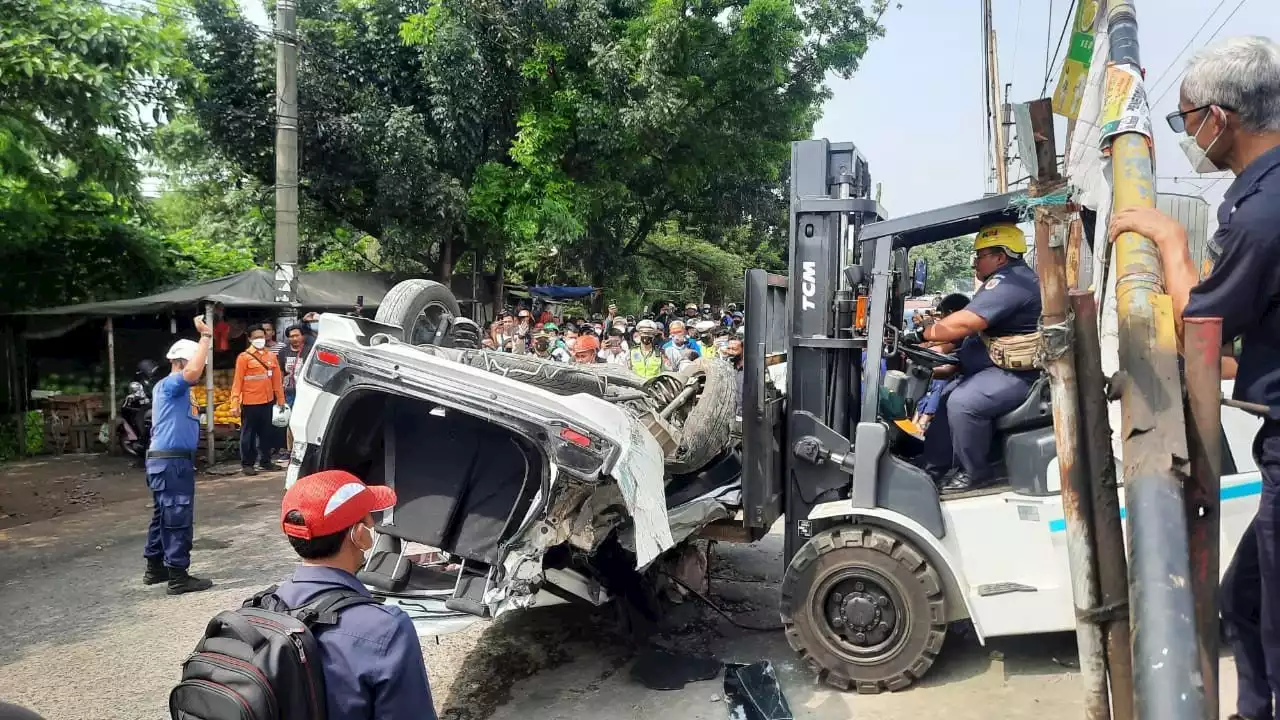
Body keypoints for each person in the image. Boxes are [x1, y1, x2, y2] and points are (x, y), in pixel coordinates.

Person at [1107, 36, 1280, 720]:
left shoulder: (1261, 216)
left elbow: (1203, 322)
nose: (1188, 137)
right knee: (1244, 599)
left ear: (1221, 117)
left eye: (1185, 122)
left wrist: (1171, 244)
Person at [275, 469, 438, 719]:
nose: (373, 524)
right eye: (369, 518)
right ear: (360, 535)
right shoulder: (386, 629)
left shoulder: (261, 609)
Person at [914, 224, 1041, 493]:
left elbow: (967, 322)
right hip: (996, 369)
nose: (975, 263)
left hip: (1019, 375)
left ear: (1001, 256)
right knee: (947, 397)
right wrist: (954, 360)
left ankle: (975, 473)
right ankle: (933, 467)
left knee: (964, 402)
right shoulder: (1003, 281)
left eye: (980, 255)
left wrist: (921, 333)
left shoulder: (1011, 282)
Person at [143, 317, 215, 594]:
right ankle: (178, 576)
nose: (202, 368)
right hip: (171, 461)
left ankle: (156, 568)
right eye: (198, 361)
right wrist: (206, 338)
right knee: (177, 515)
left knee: (164, 514)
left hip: (170, 460)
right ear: (182, 361)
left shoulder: (178, 389)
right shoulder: (172, 383)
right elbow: (193, 372)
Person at [231, 325, 287, 475]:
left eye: (261, 336)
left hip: (268, 401)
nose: (259, 339)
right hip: (250, 402)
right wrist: (234, 403)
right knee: (248, 434)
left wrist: (280, 399)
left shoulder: (271, 356)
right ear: (249, 339)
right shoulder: (244, 358)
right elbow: (237, 382)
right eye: (256, 337)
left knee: (267, 433)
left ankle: (265, 461)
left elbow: (276, 380)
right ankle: (247, 464)